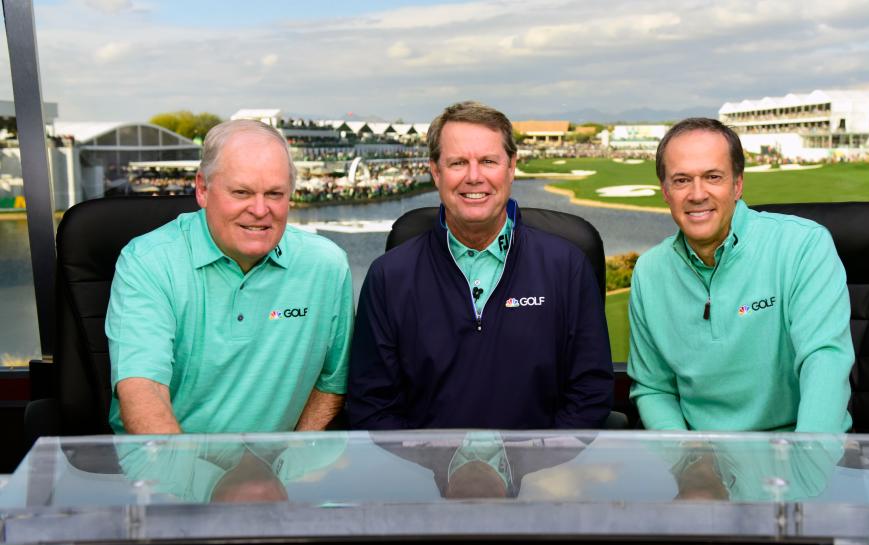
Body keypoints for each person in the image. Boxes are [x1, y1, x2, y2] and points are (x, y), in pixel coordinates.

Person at [348, 101, 613, 429]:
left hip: (538, 473)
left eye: (488, 161)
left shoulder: (567, 266)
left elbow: (591, 391)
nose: (474, 177)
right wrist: (431, 470)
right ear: (435, 172)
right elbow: (371, 404)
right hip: (427, 476)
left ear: (511, 167)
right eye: (458, 162)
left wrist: (538, 468)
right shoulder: (388, 277)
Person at [106, 119, 353, 434]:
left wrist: (291, 463)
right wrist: (195, 481)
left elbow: (331, 384)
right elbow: (143, 393)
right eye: (242, 192)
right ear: (202, 189)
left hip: (273, 476)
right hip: (167, 472)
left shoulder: (327, 266)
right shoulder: (148, 262)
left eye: (275, 194)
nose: (260, 209)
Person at [628, 118, 854, 433]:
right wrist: (686, 459)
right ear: (665, 191)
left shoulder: (803, 244)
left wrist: (807, 463)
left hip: (799, 446)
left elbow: (825, 361)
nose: (697, 194)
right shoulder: (650, 272)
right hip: (703, 460)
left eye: (713, 177)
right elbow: (654, 388)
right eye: (681, 180)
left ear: (737, 184)